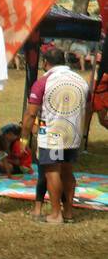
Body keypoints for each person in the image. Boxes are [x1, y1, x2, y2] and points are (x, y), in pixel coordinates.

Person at [23, 47, 89, 225]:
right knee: (68, 171)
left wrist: (24, 138)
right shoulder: (81, 80)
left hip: (53, 135)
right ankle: (68, 213)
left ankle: (55, 214)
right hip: (73, 134)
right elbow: (87, 107)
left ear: (45, 62)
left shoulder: (44, 81)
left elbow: (30, 114)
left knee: (52, 172)